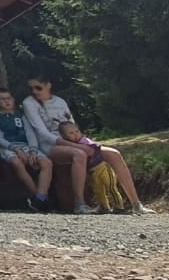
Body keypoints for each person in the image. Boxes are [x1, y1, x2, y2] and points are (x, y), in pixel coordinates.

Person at [24, 78, 152, 215]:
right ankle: (80, 204)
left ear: (48, 85)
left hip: (73, 140)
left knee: (114, 154)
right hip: (51, 145)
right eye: (31, 89)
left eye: (38, 88)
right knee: (79, 154)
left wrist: (85, 142)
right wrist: (77, 146)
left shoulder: (60, 102)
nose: (34, 91)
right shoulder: (29, 103)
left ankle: (136, 204)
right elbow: (42, 132)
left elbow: (72, 125)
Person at [59, 120, 148, 214]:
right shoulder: (70, 145)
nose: (76, 135)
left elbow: (91, 149)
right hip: (94, 172)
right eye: (71, 133)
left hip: (103, 168)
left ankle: (119, 206)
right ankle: (103, 206)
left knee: (111, 187)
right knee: (98, 189)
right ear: (64, 136)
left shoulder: (84, 141)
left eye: (77, 131)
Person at [0, 88, 53, 212]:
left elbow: (30, 134)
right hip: (7, 146)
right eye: (2, 99)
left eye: (9, 98)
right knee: (16, 162)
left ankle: (40, 196)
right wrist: (16, 149)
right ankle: (36, 196)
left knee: (47, 163)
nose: (7, 101)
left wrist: (33, 151)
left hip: (26, 146)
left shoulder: (21, 116)